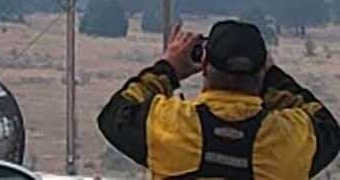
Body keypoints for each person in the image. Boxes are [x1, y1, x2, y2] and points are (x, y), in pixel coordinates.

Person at [98, 21, 339, 180]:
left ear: (204, 64)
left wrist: (168, 68)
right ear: (262, 71)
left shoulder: (170, 126)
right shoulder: (288, 138)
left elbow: (115, 115)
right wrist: (275, 78)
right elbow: (327, 129)